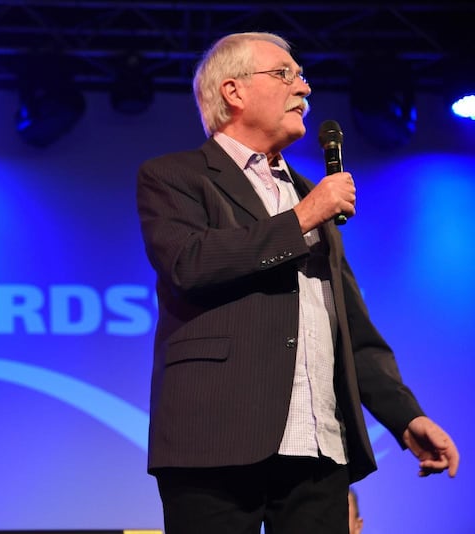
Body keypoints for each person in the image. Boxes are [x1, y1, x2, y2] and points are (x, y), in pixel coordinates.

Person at [135, 32, 459, 534]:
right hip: (215, 443)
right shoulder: (175, 176)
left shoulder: (311, 195)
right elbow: (188, 263)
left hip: (317, 446)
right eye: (285, 74)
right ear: (233, 91)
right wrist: (304, 217)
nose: (304, 88)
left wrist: (404, 416)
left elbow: (349, 326)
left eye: (302, 75)